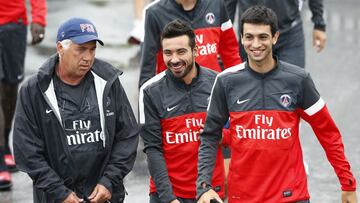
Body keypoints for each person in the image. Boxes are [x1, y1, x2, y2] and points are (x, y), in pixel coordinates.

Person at [196, 6, 357, 203]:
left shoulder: (298, 80)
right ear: (241, 38)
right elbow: (210, 135)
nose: (255, 44)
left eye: (263, 37)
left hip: (291, 197)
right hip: (244, 198)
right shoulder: (225, 82)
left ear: (275, 37)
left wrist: (347, 184)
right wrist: (204, 187)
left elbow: (328, 132)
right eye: (249, 37)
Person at [12, 17, 139, 203]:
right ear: (60, 48)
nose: (88, 57)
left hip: (103, 196)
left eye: (92, 49)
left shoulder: (108, 81)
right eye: (80, 49)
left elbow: (127, 135)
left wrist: (109, 181)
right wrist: (59, 192)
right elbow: (27, 150)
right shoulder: (33, 90)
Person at [139, 19, 227, 203]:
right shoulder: (150, 91)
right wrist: (168, 198)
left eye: (181, 51)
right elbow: (153, 150)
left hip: (209, 192)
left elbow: (235, 133)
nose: (174, 59)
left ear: (195, 51)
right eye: (168, 53)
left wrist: (221, 136)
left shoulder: (219, 83)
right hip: (167, 194)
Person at [138, 0, 242, 87]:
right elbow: (147, 71)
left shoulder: (217, 4)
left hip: (213, 92)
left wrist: (240, 89)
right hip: (172, 98)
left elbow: (231, 55)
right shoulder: (154, 13)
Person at [0, 0, 46, 190]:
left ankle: (5, 139)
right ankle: (0, 154)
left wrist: (39, 17)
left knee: (10, 91)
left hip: (14, 23)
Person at [224, 0, 326, 68]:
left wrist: (319, 23)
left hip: (289, 33)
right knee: (250, 90)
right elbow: (228, 3)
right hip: (254, 36)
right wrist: (223, 36)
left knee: (292, 86)